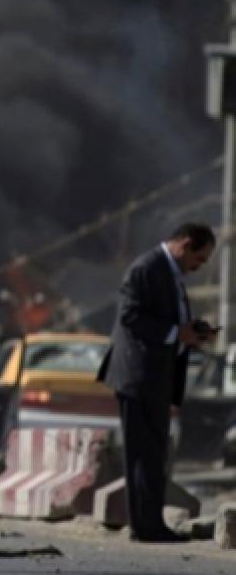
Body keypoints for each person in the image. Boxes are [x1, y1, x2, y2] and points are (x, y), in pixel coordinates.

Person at [97, 222, 216, 542]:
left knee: (154, 453)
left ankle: (152, 524)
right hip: (138, 375)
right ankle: (144, 527)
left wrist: (193, 331)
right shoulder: (146, 269)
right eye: (199, 259)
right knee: (142, 452)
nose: (198, 267)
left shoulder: (170, 274)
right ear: (185, 245)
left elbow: (168, 320)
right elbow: (130, 317)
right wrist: (178, 333)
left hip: (156, 376)